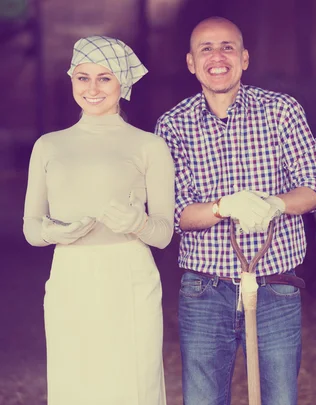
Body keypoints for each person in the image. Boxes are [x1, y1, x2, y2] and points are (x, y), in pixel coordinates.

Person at [155, 16, 316, 405]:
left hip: (275, 286)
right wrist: (222, 208)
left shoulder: (281, 111)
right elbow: (173, 213)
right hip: (204, 289)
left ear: (245, 58)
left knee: (279, 399)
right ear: (190, 62)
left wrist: (276, 204)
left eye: (227, 47)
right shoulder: (172, 126)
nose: (217, 57)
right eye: (206, 49)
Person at [22, 35, 175, 405]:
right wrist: (54, 231)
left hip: (129, 277)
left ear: (123, 83)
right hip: (70, 276)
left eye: (105, 78)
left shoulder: (149, 146)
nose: (92, 88)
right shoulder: (48, 145)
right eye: (83, 77)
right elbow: (30, 227)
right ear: (71, 79)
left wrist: (135, 223)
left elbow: (164, 234)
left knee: (132, 385)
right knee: (76, 383)